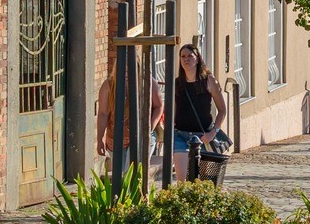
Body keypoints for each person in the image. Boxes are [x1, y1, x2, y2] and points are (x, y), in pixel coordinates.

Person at [170, 43, 228, 182]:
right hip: (180, 135)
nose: (186, 59)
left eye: (190, 56)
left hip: (204, 136)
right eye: (183, 56)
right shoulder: (177, 83)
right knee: (182, 180)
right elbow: (171, 110)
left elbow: (222, 110)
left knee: (203, 181)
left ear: (197, 59)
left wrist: (213, 132)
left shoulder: (208, 81)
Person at [94, 55, 165, 161]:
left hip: (141, 135)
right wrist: (100, 139)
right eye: (123, 69)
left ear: (137, 68)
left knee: (132, 171)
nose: (126, 74)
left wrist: (149, 127)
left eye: (130, 70)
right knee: (122, 174)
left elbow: (159, 105)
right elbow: (103, 113)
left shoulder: (147, 82)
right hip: (116, 139)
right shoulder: (109, 85)